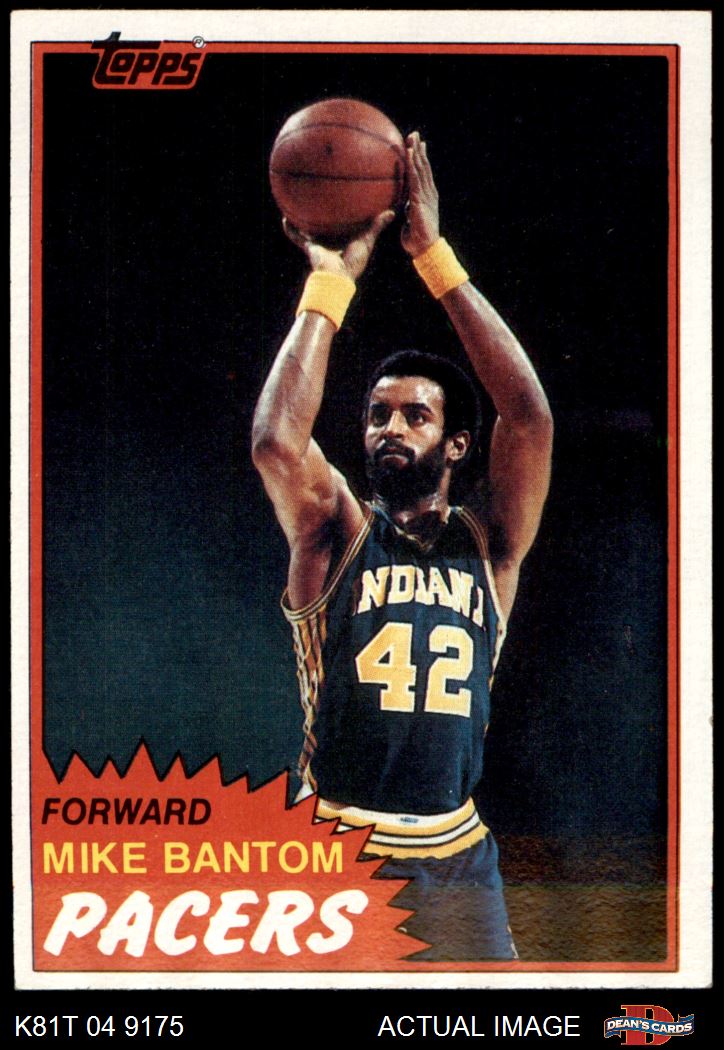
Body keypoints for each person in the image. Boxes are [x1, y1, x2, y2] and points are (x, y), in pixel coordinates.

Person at [252, 131, 553, 960]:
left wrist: (434, 259)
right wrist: (330, 281)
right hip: (336, 845)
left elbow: (528, 416)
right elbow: (277, 441)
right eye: (377, 414)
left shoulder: (489, 544)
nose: (390, 426)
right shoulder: (337, 530)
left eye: (415, 415)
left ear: (456, 445)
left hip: (457, 851)